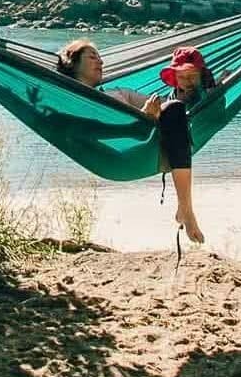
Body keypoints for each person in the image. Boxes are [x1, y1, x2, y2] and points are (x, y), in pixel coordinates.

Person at [56, 39, 214, 244]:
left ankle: (185, 209)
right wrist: (143, 118)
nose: (101, 62)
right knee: (172, 110)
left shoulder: (119, 93)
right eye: (93, 57)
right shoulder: (71, 100)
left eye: (101, 57)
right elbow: (90, 133)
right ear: (73, 63)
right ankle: (187, 211)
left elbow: (173, 109)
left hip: (151, 149)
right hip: (116, 158)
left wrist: (203, 89)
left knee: (174, 109)